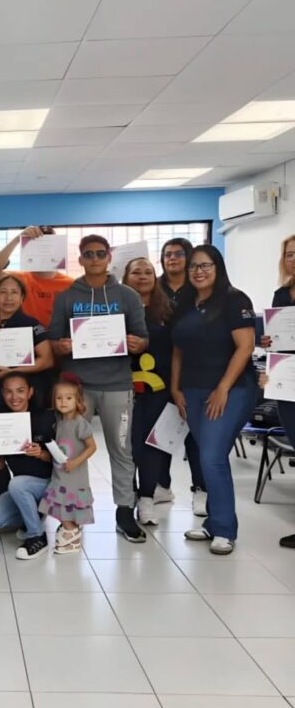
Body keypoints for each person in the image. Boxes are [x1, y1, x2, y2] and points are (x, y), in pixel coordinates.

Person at [48, 234, 149, 543]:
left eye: (100, 253)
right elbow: (54, 341)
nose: (94, 258)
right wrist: (62, 345)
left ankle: (123, 512)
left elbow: (143, 338)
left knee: (121, 449)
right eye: (88, 254)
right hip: (77, 388)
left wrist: (136, 343)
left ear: (108, 257)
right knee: (71, 450)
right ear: (80, 259)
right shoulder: (66, 297)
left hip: (117, 385)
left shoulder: (127, 295)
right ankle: (70, 513)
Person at [172, 245, 256, 556]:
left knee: (212, 456)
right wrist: (175, 388)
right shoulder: (184, 302)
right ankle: (213, 522)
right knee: (208, 456)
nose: (199, 271)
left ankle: (224, 529)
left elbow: (245, 347)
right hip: (191, 389)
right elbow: (178, 349)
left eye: (206, 265)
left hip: (231, 389)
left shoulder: (235, 300)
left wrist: (222, 387)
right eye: (193, 265)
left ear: (217, 267)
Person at [0, 274, 54, 497]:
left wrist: (13, 371)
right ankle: (1, 489)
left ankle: (28, 490)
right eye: (3, 292)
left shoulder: (32, 325)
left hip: (23, 398)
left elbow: (47, 359)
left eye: (14, 292)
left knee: (25, 444)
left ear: (22, 297)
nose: (8, 298)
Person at [0, 373, 56, 559]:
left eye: (20, 391)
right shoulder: (0, 423)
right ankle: (34, 515)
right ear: (3, 394)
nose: (15, 397)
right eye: (9, 392)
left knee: (17, 484)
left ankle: (36, 536)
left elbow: (61, 459)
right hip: (21, 489)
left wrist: (42, 453)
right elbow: (0, 466)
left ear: (30, 392)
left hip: (48, 484)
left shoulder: (45, 418)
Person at [155, 238, 206, 514]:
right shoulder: (155, 286)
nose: (171, 258)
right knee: (161, 429)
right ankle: (162, 485)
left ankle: (200, 488)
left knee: (194, 432)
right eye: (166, 254)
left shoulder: (198, 287)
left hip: (194, 368)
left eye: (178, 254)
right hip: (158, 368)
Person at [122, 257, 173, 527]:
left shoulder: (168, 311)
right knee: (126, 447)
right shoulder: (114, 309)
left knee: (151, 446)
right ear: (125, 277)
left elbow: (178, 352)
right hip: (122, 388)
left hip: (158, 390)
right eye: (135, 272)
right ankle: (127, 499)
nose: (142, 276)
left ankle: (147, 498)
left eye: (148, 272)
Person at [260, 234, 295, 548]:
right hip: (287, 382)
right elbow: (278, 341)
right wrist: (268, 342)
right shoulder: (281, 294)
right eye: (289, 255)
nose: (294, 260)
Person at [39, 376, 96, 554]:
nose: (63, 402)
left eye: (69, 398)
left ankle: (71, 532)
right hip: (60, 473)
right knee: (59, 504)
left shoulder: (80, 423)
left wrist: (75, 462)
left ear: (78, 400)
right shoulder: (59, 421)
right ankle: (71, 530)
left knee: (66, 505)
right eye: (59, 398)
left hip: (74, 475)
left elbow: (92, 447)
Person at [0, 226, 74, 328]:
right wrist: (18, 239)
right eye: (36, 247)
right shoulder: (18, 279)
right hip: (24, 335)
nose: (42, 253)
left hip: (56, 339)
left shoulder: (70, 284)